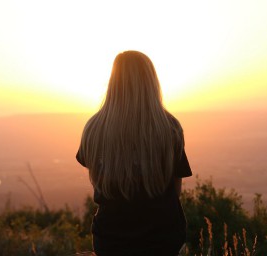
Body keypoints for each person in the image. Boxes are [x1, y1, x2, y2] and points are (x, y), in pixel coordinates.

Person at [76, 50, 192, 256]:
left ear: (113, 81)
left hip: (110, 240)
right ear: (151, 82)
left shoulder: (93, 128)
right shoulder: (170, 128)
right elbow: (175, 192)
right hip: (162, 239)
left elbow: (98, 181)